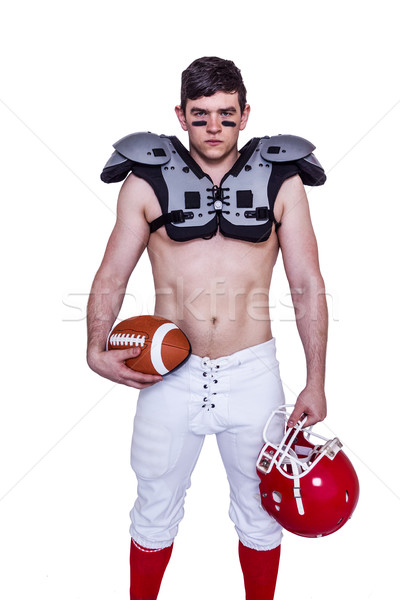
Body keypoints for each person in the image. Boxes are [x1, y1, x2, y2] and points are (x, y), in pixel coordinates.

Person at [87, 56, 328, 599]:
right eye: (200, 116)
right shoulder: (144, 181)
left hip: (253, 372)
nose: (214, 127)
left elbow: (308, 284)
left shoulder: (283, 180)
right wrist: (94, 347)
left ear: (245, 115)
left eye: (225, 114)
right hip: (170, 375)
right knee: (153, 509)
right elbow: (110, 275)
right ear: (180, 115)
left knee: (262, 514)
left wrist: (315, 380)